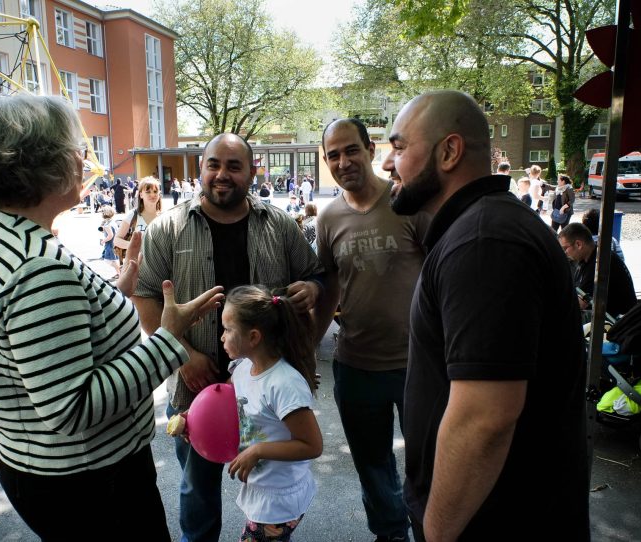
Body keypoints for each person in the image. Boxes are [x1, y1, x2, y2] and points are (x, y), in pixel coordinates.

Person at [0, 93, 224, 541]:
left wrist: (116, 291)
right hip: (89, 482)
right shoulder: (36, 266)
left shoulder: (3, 233)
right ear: (45, 165)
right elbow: (72, 406)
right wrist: (170, 340)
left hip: (51, 467)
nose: (85, 160)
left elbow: (51, 333)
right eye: (77, 150)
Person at [382, 90, 589, 541]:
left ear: (449, 151)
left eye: (398, 148)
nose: (386, 163)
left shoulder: (483, 243)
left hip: (494, 524)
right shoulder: (482, 228)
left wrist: (437, 530)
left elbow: (485, 419)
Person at [133, 132, 324, 542]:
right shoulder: (168, 227)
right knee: (198, 492)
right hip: (194, 387)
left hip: (264, 393)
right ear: (201, 169)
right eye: (213, 164)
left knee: (265, 487)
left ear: (252, 171)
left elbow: (314, 275)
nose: (222, 174)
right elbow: (146, 297)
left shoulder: (278, 224)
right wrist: (183, 355)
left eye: (234, 166)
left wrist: (313, 289)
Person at [313, 118, 428, 542]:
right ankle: (390, 534)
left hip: (417, 366)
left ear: (370, 148)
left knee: (427, 464)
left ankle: (429, 532)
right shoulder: (328, 220)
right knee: (373, 467)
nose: (343, 162)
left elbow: (441, 276)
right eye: (333, 155)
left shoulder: (408, 204)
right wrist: (308, 352)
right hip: (356, 367)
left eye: (350, 150)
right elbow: (327, 291)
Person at [223, 285, 322, 542]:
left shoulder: (283, 384)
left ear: (254, 337)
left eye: (227, 329)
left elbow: (312, 445)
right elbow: (224, 406)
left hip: (279, 496)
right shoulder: (242, 369)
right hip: (262, 486)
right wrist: (193, 419)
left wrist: (257, 451)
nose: (221, 337)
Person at [558, 222, 637, 319]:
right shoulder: (589, 257)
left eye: (565, 248)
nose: (564, 253)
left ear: (578, 244)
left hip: (615, 320)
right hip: (605, 314)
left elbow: (579, 304)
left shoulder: (598, 263)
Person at [114, 176, 162, 257]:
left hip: (160, 264)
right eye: (148, 192)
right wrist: (135, 246)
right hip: (137, 264)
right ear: (141, 195)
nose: (152, 194)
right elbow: (117, 240)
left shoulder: (164, 216)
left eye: (155, 191)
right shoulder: (132, 215)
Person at [98, 205, 120, 278]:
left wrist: (103, 241)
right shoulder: (112, 222)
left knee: (108, 260)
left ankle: (120, 272)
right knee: (114, 259)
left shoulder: (107, 224)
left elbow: (110, 235)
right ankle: (119, 273)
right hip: (115, 243)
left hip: (110, 245)